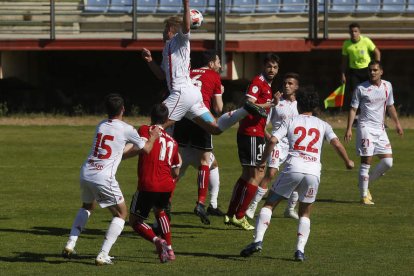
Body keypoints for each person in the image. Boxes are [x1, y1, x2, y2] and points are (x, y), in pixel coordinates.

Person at [240, 89, 354, 261]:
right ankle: (299, 251)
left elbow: (272, 140)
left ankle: (258, 241)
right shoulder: (323, 124)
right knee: (305, 213)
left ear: (298, 104)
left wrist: (263, 160)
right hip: (313, 172)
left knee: (269, 204)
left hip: (293, 167)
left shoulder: (291, 120)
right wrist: (348, 161)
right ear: (315, 106)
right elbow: (337, 143)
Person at [141, 0, 268, 136]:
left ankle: (149, 154)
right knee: (215, 128)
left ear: (171, 29)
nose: (163, 32)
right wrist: (150, 61)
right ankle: (245, 110)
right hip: (192, 95)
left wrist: (186, 5)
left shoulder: (179, 39)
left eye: (165, 29)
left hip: (181, 92)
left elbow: (186, 28)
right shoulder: (168, 48)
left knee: (155, 126)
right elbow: (161, 75)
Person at [62, 94, 160, 265]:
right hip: (103, 176)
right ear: (123, 109)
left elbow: (120, 149)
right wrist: (152, 137)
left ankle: (71, 243)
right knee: (122, 214)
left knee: (87, 206)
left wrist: (137, 143)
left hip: (86, 171)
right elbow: (146, 150)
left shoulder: (101, 125)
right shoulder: (127, 129)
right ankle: (103, 254)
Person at [224, 53, 280, 231]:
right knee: (257, 175)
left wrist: (266, 134)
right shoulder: (258, 83)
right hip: (251, 134)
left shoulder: (266, 85)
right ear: (264, 67)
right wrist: (270, 104)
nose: (272, 70)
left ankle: (231, 213)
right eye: (269, 66)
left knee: (247, 175)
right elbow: (248, 104)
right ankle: (240, 216)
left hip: (253, 133)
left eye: (275, 67)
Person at [123, 103, 181, 263]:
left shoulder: (145, 129)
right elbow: (176, 171)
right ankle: (170, 249)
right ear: (167, 119)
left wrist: (121, 155)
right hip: (167, 185)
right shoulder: (173, 142)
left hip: (148, 184)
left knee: (135, 221)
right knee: (160, 211)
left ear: (151, 116)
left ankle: (158, 241)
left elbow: (141, 146)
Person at [173, 50, 226, 225]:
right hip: (201, 118)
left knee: (178, 163)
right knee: (206, 161)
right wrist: (220, 92)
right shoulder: (214, 76)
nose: (220, 65)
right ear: (211, 63)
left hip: (182, 118)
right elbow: (218, 109)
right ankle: (201, 203)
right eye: (218, 62)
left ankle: (164, 202)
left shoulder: (188, 73)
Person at [344, 61, 403, 205]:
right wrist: (349, 128)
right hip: (366, 128)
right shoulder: (361, 88)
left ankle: (365, 183)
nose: (372, 72)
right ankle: (364, 195)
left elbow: (390, 106)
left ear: (381, 71)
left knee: (388, 162)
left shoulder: (387, 86)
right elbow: (353, 109)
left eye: (375, 70)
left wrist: (397, 124)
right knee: (366, 162)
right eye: (370, 70)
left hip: (381, 128)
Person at [246, 73, 300, 220]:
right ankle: (253, 206)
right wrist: (270, 137)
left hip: (293, 146)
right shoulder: (276, 103)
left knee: (296, 176)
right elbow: (263, 124)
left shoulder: (299, 104)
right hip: (277, 144)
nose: (287, 86)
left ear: (296, 87)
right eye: (285, 83)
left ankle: (290, 209)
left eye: (290, 83)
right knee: (270, 174)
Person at [341, 22, 381, 107]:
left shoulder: (366, 41)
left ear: (359, 32)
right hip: (354, 71)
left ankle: (371, 108)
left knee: (369, 90)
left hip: (366, 69)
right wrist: (343, 74)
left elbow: (377, 52)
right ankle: (357, 113)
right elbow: (344, 61)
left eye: (355, 31)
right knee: (356, 92)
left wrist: (377, 66)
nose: (353, 33)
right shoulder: (346, 44)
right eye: (351, 31)